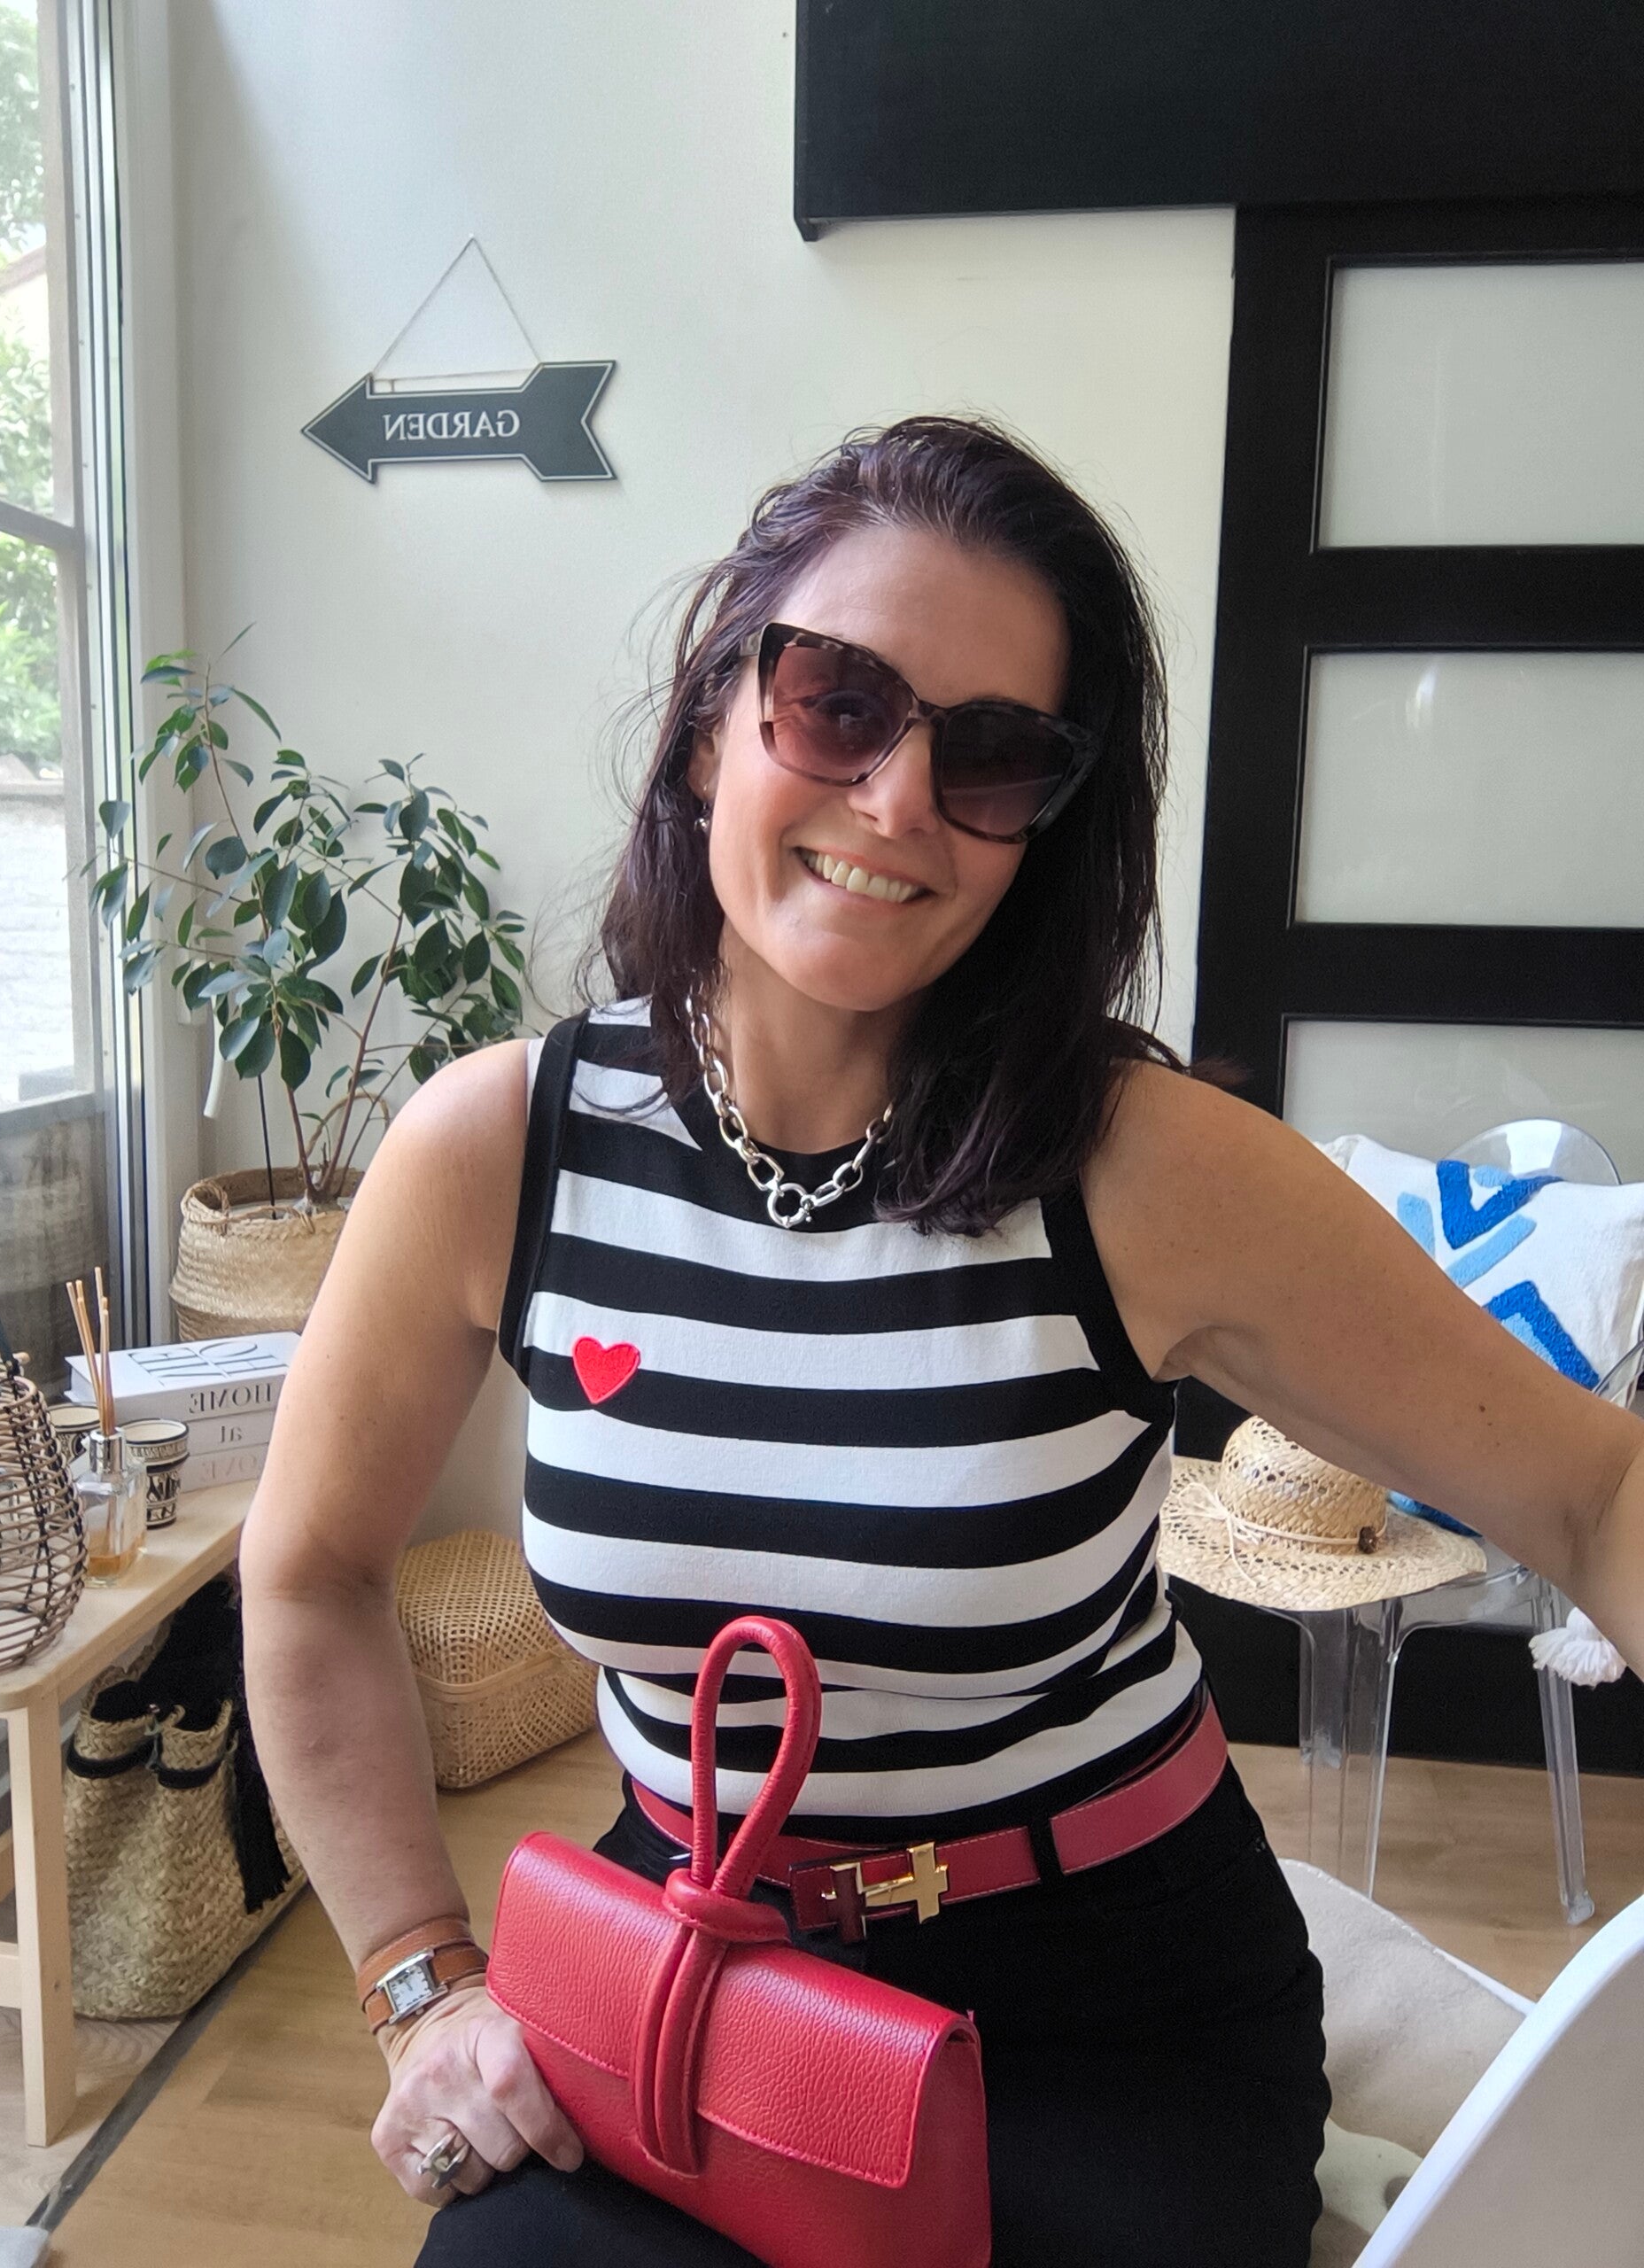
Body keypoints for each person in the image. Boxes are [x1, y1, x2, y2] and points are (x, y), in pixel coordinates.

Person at [239, 416, 1644, 2268]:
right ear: (713, 717)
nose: (901, 798)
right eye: (838, 703)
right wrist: (421, 1977)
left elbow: (1594, 1489)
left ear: (1042, 826)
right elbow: (312, 1571)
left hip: (1103, 2002)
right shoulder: (502, 1148)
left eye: (991, 755)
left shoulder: (1142, 1170)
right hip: (699, 1963)